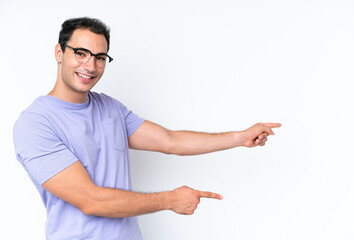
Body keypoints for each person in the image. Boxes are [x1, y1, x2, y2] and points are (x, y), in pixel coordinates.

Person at [13, 17, 281, 240]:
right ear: (59, 52)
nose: (90, 65)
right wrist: (170, 200)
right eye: (80, 53)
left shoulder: (109, 107)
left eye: (100, 57)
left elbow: (170, 140)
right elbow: (91, 200)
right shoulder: (35, 124)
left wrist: (239, 137)